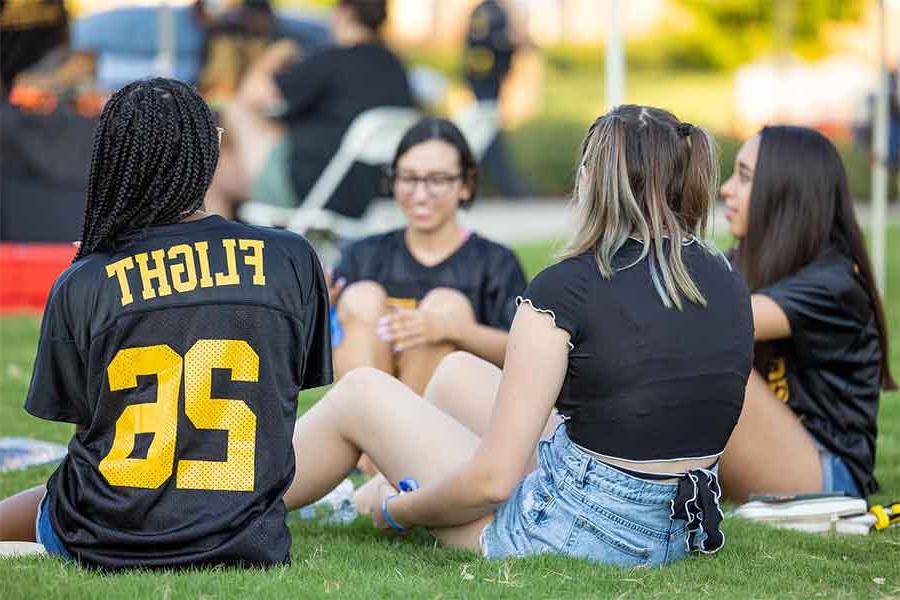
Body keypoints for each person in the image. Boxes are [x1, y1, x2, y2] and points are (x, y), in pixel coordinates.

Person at [280, 105, 754, 566]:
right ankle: (365, 477)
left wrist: (392, 508)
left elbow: (492, 484)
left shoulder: (569, 286)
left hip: (577, 531)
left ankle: (238, 497)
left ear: (593, 179)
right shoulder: (725, 275)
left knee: (362, 391)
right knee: (456, 373)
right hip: (678, 522)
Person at [0, 78, 332, 568]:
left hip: (105, 530)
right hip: (243, 534)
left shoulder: (87, 279)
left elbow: (85, 418)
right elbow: (285, 387)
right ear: (212, 151)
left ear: (112, 158)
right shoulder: (293, 257)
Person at [718, 126, 896, 501]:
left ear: (786, 194)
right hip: (775, 455)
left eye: (745, 178)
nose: (726, 188)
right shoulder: (745, 263)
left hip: (828, 474)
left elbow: (714, 325)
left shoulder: (836, 283)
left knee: (706, 352)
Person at [328, 117, 527, 396]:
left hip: (445, 422)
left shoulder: (494, 263)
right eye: (408, 178)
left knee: (448, 305)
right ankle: (375, 425)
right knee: (362, 297)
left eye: (438, 179)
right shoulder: (363, 255)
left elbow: (525, 353)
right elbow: (307, 357)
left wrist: (451, 329)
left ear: (466, 184)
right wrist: (315, 310)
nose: (420, 194)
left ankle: (406, 432)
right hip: (365, 409)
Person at [205, 0, 414, 220]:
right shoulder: (396, 67)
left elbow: (251, 94)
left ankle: (217, 253)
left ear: (343, 13)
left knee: (213, 171)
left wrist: (276, 55)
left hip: (313, 188)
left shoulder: (334, 60)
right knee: (226, 162)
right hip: (368, 195)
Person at [462, 0, 532, 198]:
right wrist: (516, 44)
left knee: (487, 131)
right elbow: (497, 42)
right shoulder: (494, 12)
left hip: (482, 78)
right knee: (488, 133)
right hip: (487, 81)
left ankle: (481, 181)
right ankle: (507, 185)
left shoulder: (481, 10)